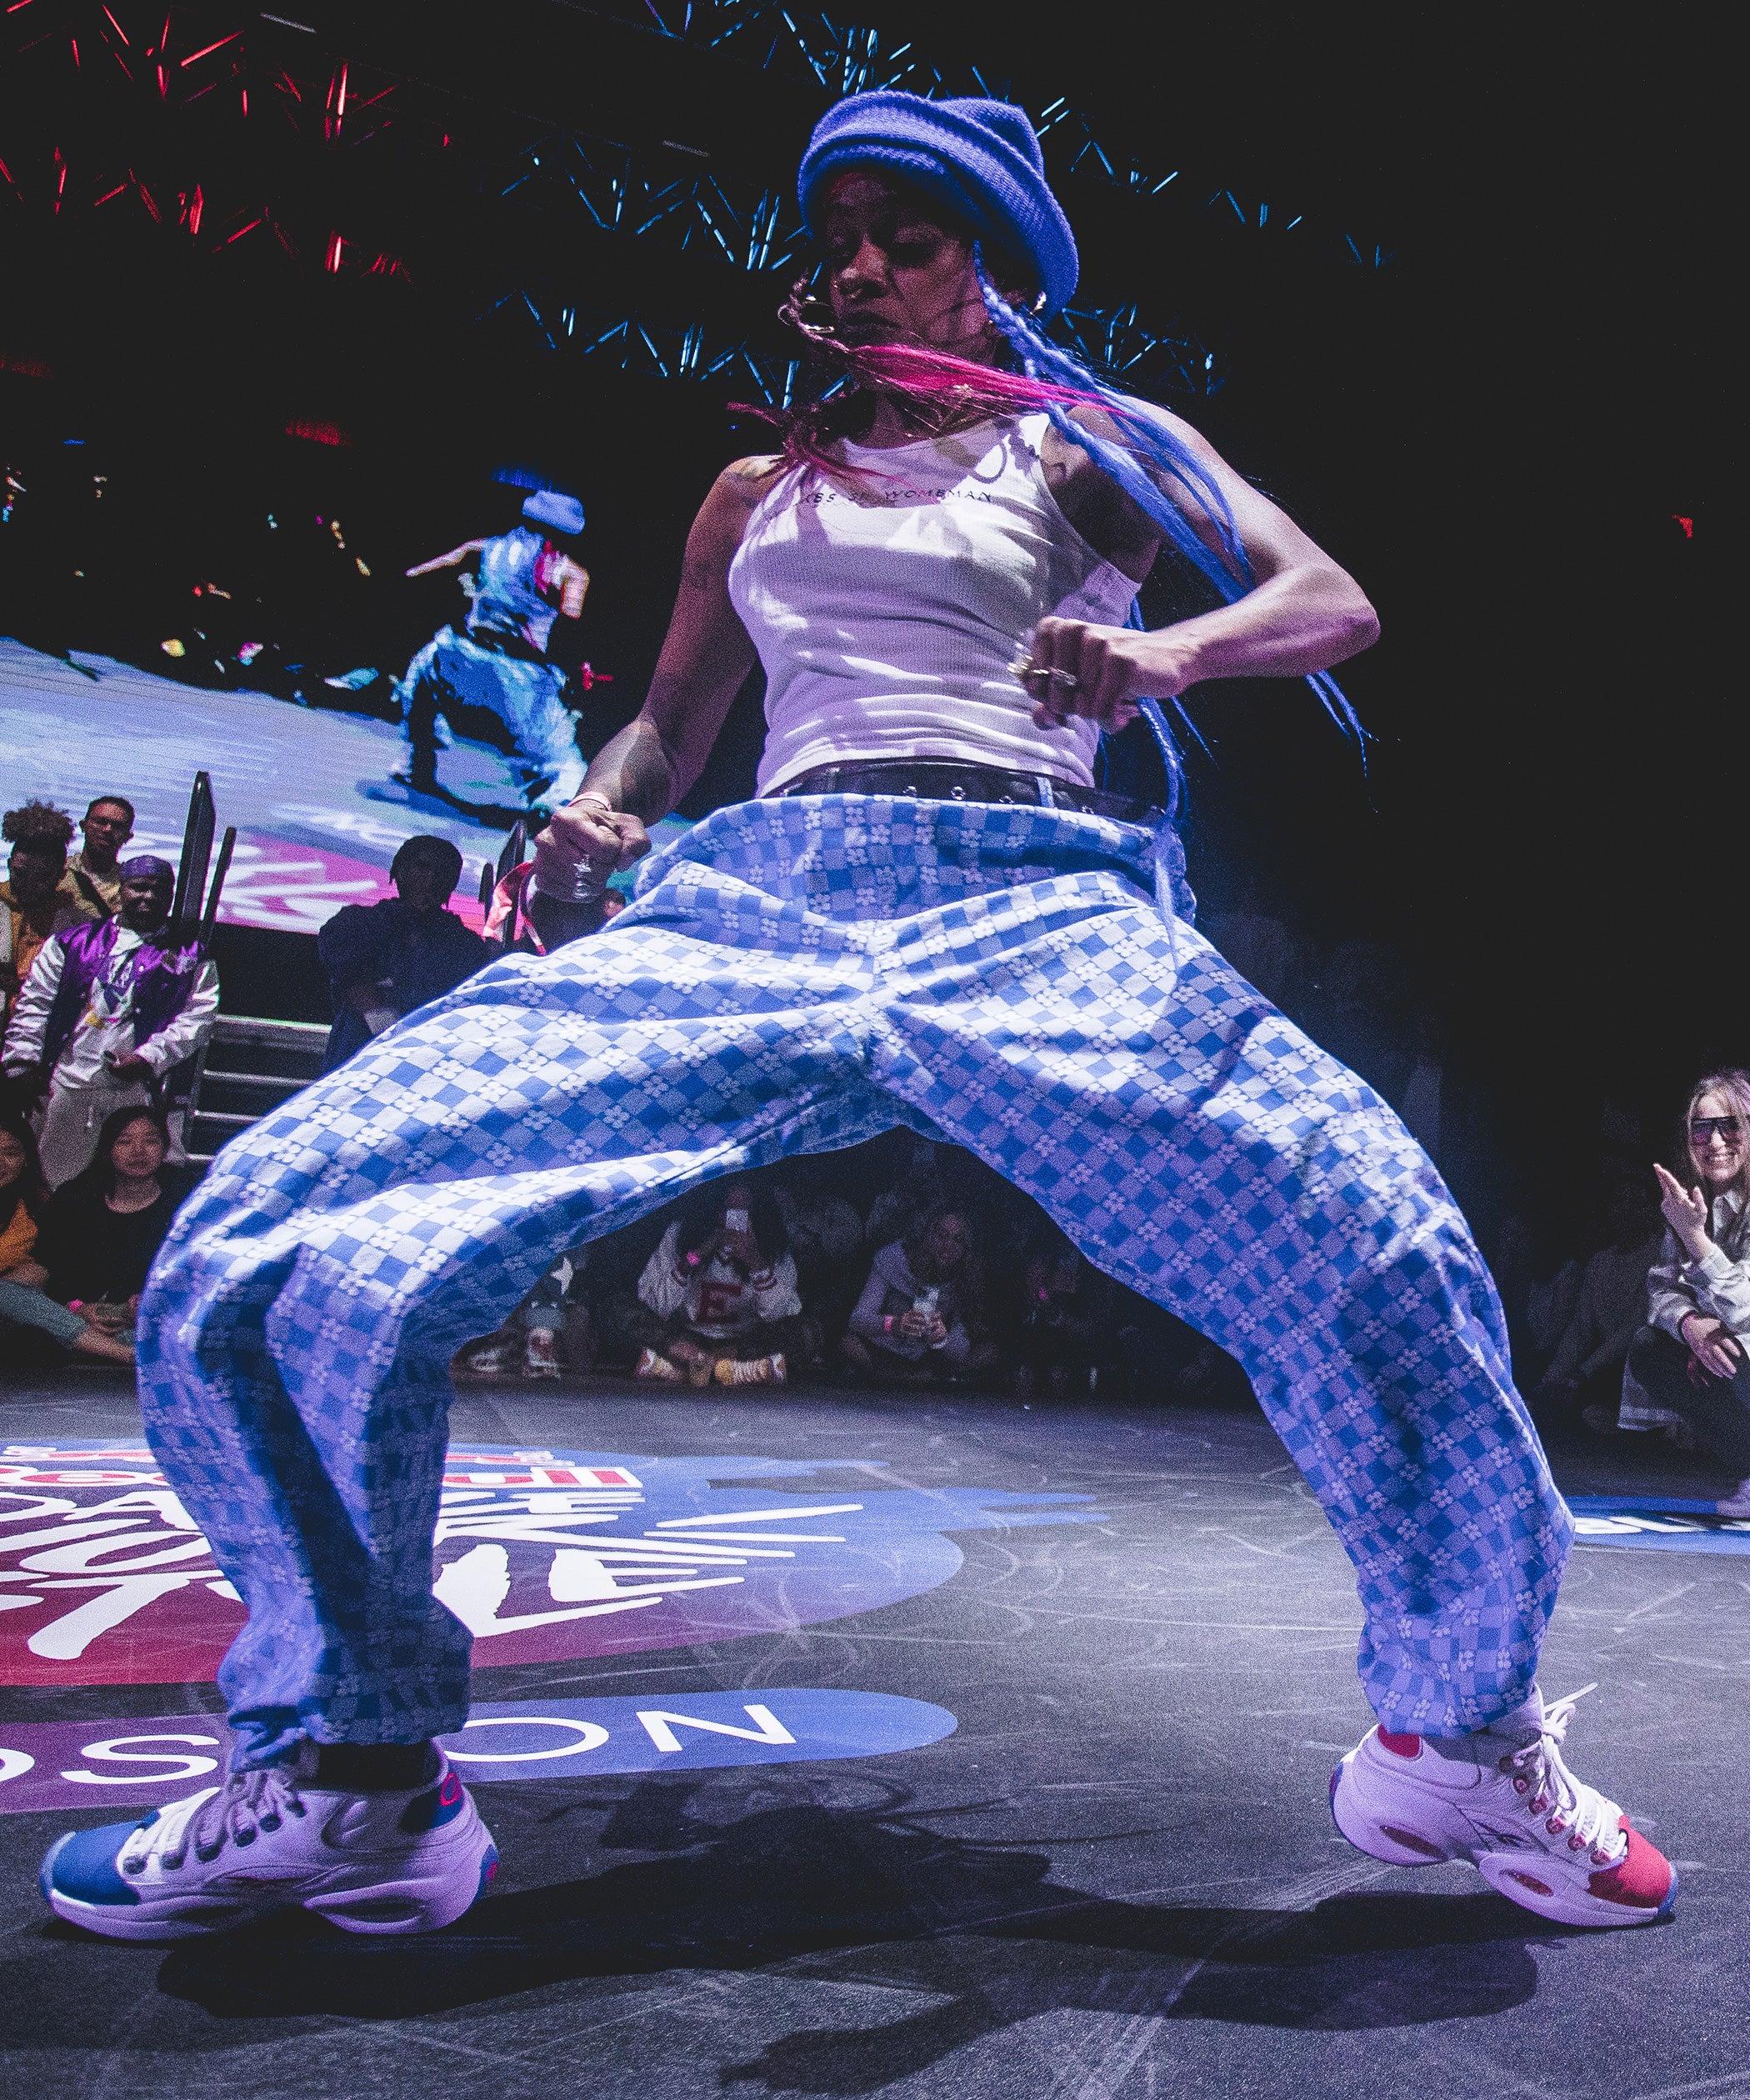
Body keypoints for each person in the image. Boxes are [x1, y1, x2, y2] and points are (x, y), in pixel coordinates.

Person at [57, 90, 1671, 1946]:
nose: (865, 270)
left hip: (1030, 897)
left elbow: (1332, 602)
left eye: (913, 239)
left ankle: (1460, 1743)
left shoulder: (1094, 445)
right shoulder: (757, 491)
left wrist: (1158, 654)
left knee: (1373, 1237)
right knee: (281, 1231)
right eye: (842, 241)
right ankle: (352, 1773)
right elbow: (673, 725)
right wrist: (603, 807)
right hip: (761, 897)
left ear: (1000, 270)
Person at [2, 856, 218, 1185]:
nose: (148, 896)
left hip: (134, 1091)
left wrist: (148, 1058)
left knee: (122, 1185)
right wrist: (22, 1063)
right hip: (64, 1085)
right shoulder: (72, 943)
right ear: (121, 890)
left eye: (159, 890)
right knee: (51, 1183)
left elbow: (198, 1018)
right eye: (138, 887)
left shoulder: (191, 956)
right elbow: (35, 1004)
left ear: (171, 895)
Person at [392, 488, 594, 814]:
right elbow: (572, 623)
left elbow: (434, 568)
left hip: (461, 656)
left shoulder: (488, 548)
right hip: (517, 674)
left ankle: (416, 763)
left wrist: (405, 577)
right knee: (557, 758)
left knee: (422, 671)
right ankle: (560, 803)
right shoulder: (569, 572)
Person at [1631, 1071, 1750, 1514]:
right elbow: (1661, 1288)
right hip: (1726, 1333)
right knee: (1649, 1348)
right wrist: (1690, 1325)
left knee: (1739, 1348)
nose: (1715, 1141)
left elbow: (1746, 1310)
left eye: (1729, 1126)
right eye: (1702, 1129)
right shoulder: (1692, 1202)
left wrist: (1696, 1240)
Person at [316, 835, 491, 1072]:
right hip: (362, 1055)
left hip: (434, 1059)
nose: (431, 878)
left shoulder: (466, 945)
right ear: (401, 870)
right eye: (422, 867)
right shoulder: (355, 924)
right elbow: (357, 988)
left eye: (442, 871)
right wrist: (389, 1034)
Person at [626, 1178, 808, 1387]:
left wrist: (755, 1261)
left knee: (805, 1331)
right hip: (687, 1338)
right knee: (621, 1310)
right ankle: (730, 1370)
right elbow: (655, 1306)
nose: (730, 1220)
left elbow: (778, 1314)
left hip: (744, 1342)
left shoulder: (772, 1243)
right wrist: (693, 1258)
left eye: (741, 1213)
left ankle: (685, 1369)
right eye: (725, 1210)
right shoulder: (681, 1233)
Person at [36, 1106, 195, 1334]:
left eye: (150, 1141)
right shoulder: (75, 1199)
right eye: (125, 1142)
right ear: (108, 1149)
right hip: (73, 1316)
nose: (138, 1151)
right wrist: (76, 1307)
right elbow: (49, 1266)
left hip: (152, 1319)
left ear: (165, 1148)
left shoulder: (188, 1200)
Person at [0, 1103, 135, 1362]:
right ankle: (121, 1352)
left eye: (10, 1153)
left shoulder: (40, 1207)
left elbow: (47, 1271)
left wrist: (74, 1306)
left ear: (26, 1159)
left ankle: (124, 1344)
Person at [1535, 1178, 1664, 1432]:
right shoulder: (1600, 1262)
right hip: (1601, 1365)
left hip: (1640, 1363)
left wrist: (1584, 1373)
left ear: (1651, 1210)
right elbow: (1580, 1327)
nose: (1625, 1210)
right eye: (1619, 1202)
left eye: (1634, 1202)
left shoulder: (1660, 1256)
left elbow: (1636, 1326)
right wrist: (1555, 1374)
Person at [844, 1204, 998, 1385]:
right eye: (942, 1235)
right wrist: (893, 1324)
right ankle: (894, 1378)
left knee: (989, 1353)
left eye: (957, 1240)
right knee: (847, 1344)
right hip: (878, 1350)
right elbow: (857, 1320)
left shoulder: (965, 1279)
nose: (948, 1246)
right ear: (928, 1234)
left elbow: (961, 1351)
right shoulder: (893, 1259)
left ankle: (916, 1378)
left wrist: (941, 1339)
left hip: (924, 1359)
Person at [1, 802, 97, 1031]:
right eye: (20, 873)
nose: (30, 884)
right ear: (9, 865)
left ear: (61, 875)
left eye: (42, 876)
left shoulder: (82, 928)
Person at [65, 794, 135, 917]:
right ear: (83, 826)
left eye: (118, 826)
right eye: (101, 822)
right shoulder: (57, 871)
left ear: (128, 837)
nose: (108, 829)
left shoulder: (129, 886)